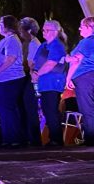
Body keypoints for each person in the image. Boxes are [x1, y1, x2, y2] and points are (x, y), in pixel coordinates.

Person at [0, 16, 27, 147]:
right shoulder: (5, 40)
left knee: (9, 108)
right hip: (2, 80)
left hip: (11, 79)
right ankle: (8, 138)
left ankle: (15, 138)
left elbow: (11, 58)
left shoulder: (12, 40)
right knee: (4, 109)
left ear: (8, 25)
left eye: (1, 23)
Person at [33, 19, 68, 146]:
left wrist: (37, 74)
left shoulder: (57, 45)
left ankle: (56, 139)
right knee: (46, 109)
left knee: (51, 109)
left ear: (55, 31)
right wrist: (33, 72)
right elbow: (35, 61)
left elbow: (51, 63)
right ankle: (53, 137)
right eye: (43, 30)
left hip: (53, 82)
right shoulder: (43, 45)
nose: (44, 32)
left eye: (47, 30)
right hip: (43, 83)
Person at [66, 16, 94, 146]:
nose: (79, 29)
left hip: (84, 77)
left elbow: (76, 60)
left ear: (89, 28)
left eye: (82, 26)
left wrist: (68, 78)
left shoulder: (87, 41)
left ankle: (91, 139)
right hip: (90, 76)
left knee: (87, 109)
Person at [18, 17, 44, 147]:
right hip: (27, 77)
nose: (20, 33)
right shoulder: (27, 43)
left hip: (31, 78)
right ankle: (29, 137)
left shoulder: (34, 44)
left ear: (28, 30)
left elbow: (30, 63)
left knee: (30, 108)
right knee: (26, 107)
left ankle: (34, 138)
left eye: (21, 30)